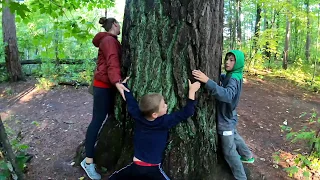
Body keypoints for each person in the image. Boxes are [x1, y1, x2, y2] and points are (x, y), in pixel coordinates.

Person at [108, 78, 201, 180]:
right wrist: (192, 91)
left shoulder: (137, 115)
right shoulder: (164, 122)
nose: (166, 105)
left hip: (136, 166)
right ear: (155, 114)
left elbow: (131, 102)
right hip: (153, 169)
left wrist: (125, 86)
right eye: (163, 106)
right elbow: (187, 112)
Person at [192, 50, 254, 180]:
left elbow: (227, 95)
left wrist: (208, 81)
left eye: (232, 60)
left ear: (238, 63)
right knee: (235, 135)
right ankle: (247, 155)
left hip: (225, 119)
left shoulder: (233, 79)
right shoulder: (235, 74)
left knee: (229, 151)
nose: (227, 62)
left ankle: (241, 177)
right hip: (230, 115)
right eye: (227, 59)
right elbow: (226, 81)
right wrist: (220, 77)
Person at [81, 17, 129, 180]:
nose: (120, 27)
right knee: (97, 121)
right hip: (103, 86)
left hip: (106, 85)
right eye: (119, 25)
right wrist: (117, 82)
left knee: (106, 118)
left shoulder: (110, 40)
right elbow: (112, 62)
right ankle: (88, 161)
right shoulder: (109, 40)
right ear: (115, 24)